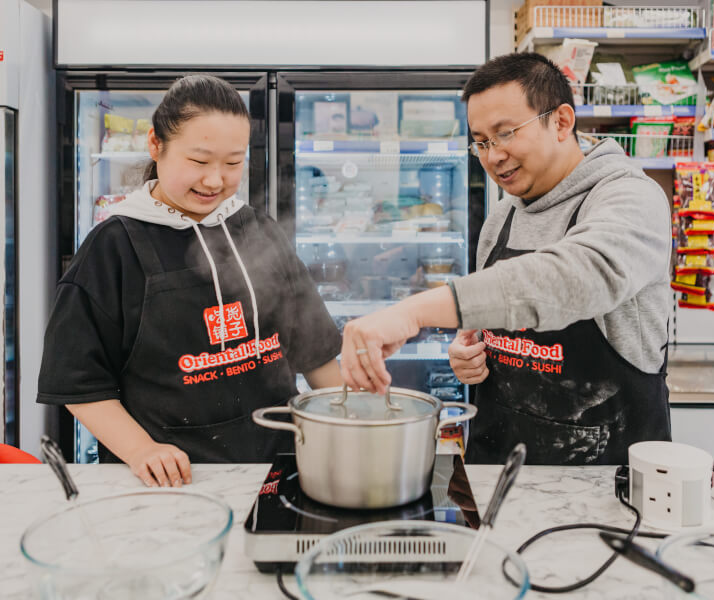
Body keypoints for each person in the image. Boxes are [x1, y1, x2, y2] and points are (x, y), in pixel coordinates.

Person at [340, 52, 672, 465]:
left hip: (603, 483)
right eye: (481, 141)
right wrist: (474, 355)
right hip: (495, 468)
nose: (493, 155)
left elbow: (578, 278)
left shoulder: (630, 199)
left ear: (562, 122)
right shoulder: (502, 217)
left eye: (506, 133)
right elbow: (500, 320)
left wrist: (414, 312)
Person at [37, 75, 342, 486]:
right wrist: (141, 449)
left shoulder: (259, 231)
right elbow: (78, 380)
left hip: (280, 468)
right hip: (170, 481)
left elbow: (315, 352)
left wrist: (351, 420)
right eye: (199, 162)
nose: (215, 180)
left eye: (233, 163)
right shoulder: (113, 248)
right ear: (155, 145)